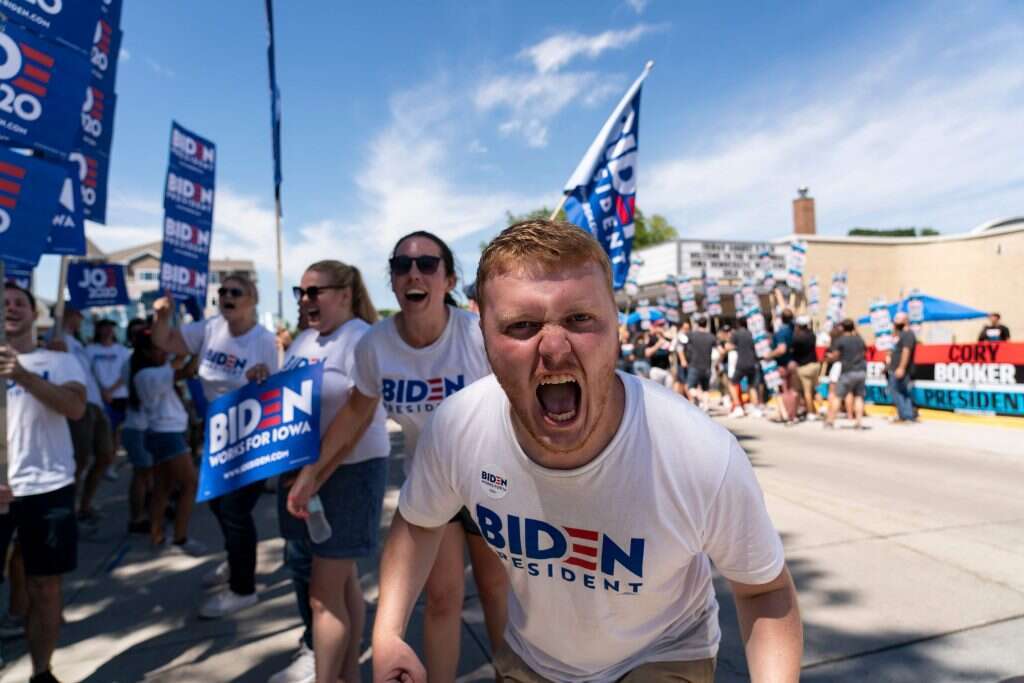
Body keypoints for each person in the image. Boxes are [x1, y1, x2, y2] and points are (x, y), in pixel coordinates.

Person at [372, 220, 802, 683]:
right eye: (521, 325)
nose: (554, 348)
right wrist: (388, 633)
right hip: (532, 657)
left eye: (580, 319)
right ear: (484, 338)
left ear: (616, 325)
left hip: (663, 653)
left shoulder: (700, 454)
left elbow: (765, 592)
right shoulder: (457, 429)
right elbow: (418, 522)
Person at [287, 231, 508, 682]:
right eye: (402, 265)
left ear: (447, 280)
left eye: (428, 264)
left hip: (494, 482)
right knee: (442, 599)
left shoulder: (477, 335)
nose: (414, 272)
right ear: (391, 281)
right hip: (432, 485)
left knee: (496, 592)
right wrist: (311, 473)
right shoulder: (376, 345)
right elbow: (355, 412)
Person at [273, 260, 391, 683]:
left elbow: (357, 420)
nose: (305, 301)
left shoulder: (361, 339)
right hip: (312, 473)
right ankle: (346, 675)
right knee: (343, 585)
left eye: (315, 291)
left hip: (351, 474)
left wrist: (314, 475)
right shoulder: (304, 340)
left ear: (344, 294)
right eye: (300, 292)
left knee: (323, 597)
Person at [151, 273, 279, 618]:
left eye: (235, 292)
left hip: (252, 435)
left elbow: (276, 389)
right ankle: (235, 560)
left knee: (236, 510)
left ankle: (243, 589)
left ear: (252, 298)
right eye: (222, 291)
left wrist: (262, 378)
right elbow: (165, 342)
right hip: (217, 433)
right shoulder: (209, 328)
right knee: (219, 507)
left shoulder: (264, 339)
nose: (226, 296)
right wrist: (162, 315)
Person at [1, 283, 87, 683]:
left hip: (47, 488)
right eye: (4, 303)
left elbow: (73, 407)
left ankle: (41, 672)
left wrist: (20, 373)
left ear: (35, 314)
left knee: (45, 588)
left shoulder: (58, 360)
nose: (11, 308)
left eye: (20, 303)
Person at [129, 331, 202, 552]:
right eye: (160, 347)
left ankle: (157, 536)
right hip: (166, 434)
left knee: (163, 487)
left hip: (165, 433)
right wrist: (203, 344)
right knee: (190, 484)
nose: (165, 351)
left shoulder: (155, 371)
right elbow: (187, 370)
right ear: (147, 352)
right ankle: (180, 538)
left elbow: (178, 363)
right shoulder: (148, 375)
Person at [53, 305, 114, 523]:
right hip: (81, 405)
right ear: (70, 315)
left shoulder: (78, 343)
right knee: (80, 458)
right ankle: (68, 506)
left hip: (95, 403)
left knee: (105, 455)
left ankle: (84, 504)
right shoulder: (59, 337)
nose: (81, 320)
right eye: (79, 315)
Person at [86, 320, 131, 474]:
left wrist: (111, 390)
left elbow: (126, 373)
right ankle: (102, 462)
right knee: (103, 432)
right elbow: (89, 373)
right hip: (98, 398)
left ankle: (110, 463)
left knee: (116, 431)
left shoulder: (123, 351)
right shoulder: (90, 350)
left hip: (119, 396)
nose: (107, 331)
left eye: (110, 328)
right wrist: (102, 391)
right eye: (104, 328)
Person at [121, 319, 153, 534]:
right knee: (142, 474)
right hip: (137, 427)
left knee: (146, 474)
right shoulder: (142, 369)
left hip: (143, 427)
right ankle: (137, 517)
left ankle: (144, 513)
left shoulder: (134, 364)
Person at [825, 319, 867, 429]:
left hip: (848, 371)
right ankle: (858, 422)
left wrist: (829, 357)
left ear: (842, 328)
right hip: (861, 371)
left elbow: (835, 355)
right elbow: (864, 352)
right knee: (858, 397)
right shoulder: (859, 340)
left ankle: (830, 421)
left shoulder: (841, 340)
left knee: (838, 396)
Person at [726, 317, 761, 418]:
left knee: (732, 384)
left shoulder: (736, 334)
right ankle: (756, 409)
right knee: (752, 386)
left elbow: (728, 346)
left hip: (741, 363)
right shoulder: (751, 334)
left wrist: (736, 346)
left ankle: (738, 408)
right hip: (753, 363)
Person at [887, 312, 918, 424]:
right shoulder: (899, 334)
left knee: (897, 392)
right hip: (895, 368)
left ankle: (905, 415)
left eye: (898, 320)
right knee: (902, 392)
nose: (895, 322)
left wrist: (901, 367)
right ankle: (907, 415)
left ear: (905, 320)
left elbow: (906, 351)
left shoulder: (908, 334)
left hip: (901, 369)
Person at [791, 315, 821, 420]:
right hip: (815, 365)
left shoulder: (797, 338)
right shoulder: (812, 335)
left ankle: (810, 412)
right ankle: (821, 407)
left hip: (805, 367)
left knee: (806, 391)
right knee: (814, 389)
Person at [685, 316, 716, 410]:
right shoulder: (711, 337)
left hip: (695, 365)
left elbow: (683, 342)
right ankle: (705, 405)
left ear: (697, 324)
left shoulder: (692, 335)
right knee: (705, 389)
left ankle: (702, 399)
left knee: (690, 387)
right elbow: (718, 350)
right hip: (707, 366)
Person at [643, 320, 673, 388]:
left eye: (663, 325)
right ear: (655, 327)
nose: (662, 327)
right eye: (660, 326)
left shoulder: (667, 338)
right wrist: (658, 344)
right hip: (656, 370)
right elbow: (647, 353)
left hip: (667, 370)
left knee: (669, 394)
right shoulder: (652, 339)